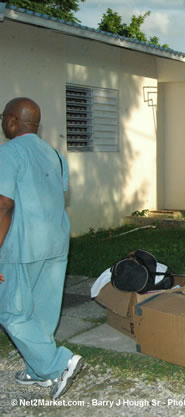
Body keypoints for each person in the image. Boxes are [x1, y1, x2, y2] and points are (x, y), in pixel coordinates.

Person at [0, 97, 83, 400]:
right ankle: (38, 370)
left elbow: (4, 205)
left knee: (12, 312)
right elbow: (56, 195)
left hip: (20, 246)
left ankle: (59, 363)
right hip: (55, 241)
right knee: (42, 312)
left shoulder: (7, 154)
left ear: (11, 121)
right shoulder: (55, 154)